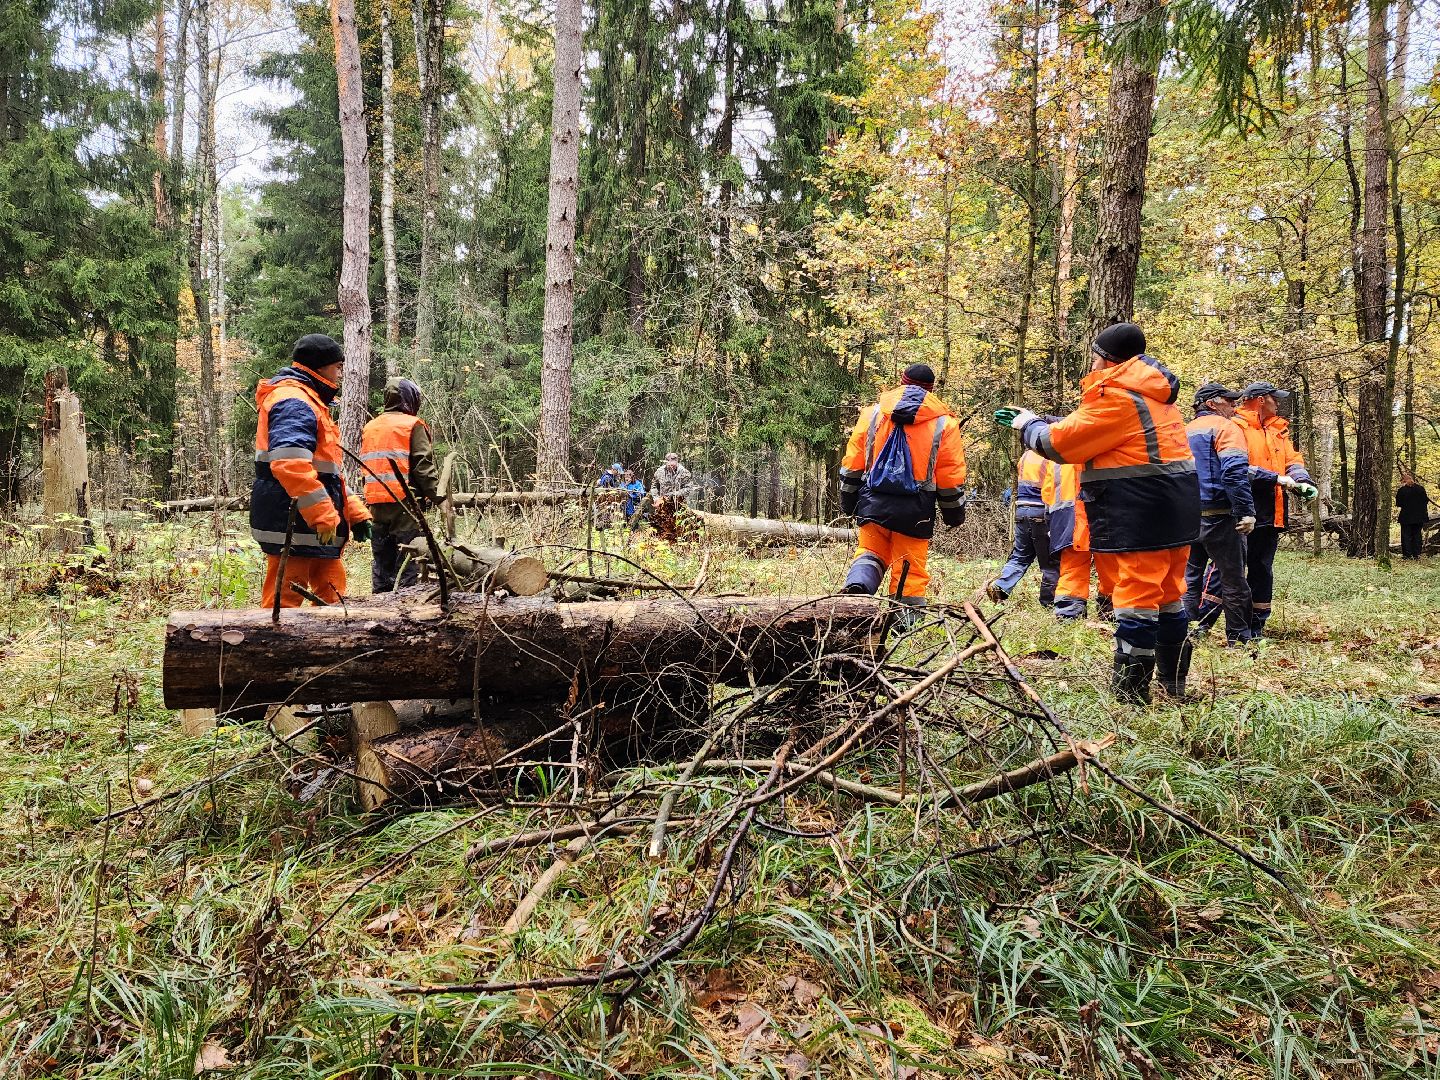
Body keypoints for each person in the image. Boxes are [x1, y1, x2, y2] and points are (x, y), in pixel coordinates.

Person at [995, 323, 1200, 703]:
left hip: (1142, 514)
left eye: (1093, 357)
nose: (1090, 364)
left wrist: (1027, 422)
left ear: (1106, 359)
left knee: (1137, 601)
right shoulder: (1158, 399)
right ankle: (1174, 687)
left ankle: (1130, 697)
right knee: (1171, 596)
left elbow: (1059, 444)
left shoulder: (1118, 399)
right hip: (1178, 512)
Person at [251, 334, 372, 608]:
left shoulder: (311, 400)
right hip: (292, 521)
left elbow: (328, 473)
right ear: (320, 367)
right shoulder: (294, 401)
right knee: (285, 602)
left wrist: (354, 513)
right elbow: (290, 464)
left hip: (311, 522)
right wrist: (322, 515)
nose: (340, 373)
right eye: (337, 366)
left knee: (331, 594)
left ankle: (333, 648)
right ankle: (274, 650)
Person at [839, 363, 967, 620]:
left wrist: (848, 499)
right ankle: (903, 626)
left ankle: (855, 596)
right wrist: (954, 514)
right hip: (915, 511)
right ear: (931, 389)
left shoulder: (873, 414)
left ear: (902, 382)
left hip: (873, 502)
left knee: (870, 554)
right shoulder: (944, 424)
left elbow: (853, 462)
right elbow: (950, 476)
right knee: (909, 567)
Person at [1232, 381, 1317, 638]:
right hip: (1243, 510)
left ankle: (1257, 627)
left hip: (1273, 511)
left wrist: (1302, 480)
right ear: (1259, 399)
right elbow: (1236, 468)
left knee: (1262, 569)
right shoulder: (1236, 428)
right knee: (1233, 570)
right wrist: (1274, 478)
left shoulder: (1278, 430)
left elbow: (1293, 460)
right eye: (1274, 398)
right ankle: (1219, 626)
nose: (1277, 403)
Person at [1184, 383, 1256, 646]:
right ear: (1212, 403)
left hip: (1188, 517)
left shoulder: (1183, 431)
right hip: (1220, 516)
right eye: (1229, 401)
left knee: (1190, 577)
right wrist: (1246, 511)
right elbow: (1235, 472)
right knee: (1234, 578)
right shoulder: (1226, 428)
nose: (1234, 406)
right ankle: (1238, 638)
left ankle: (1183, 633)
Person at [360, 377, 442, 593]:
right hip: (405, 502)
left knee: (381, 561)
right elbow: (423, 467)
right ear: (411, 399)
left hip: (375, 502)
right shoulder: (412, 425)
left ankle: (380, 606)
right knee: (408, 560)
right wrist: (438, 496)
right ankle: (404, 611)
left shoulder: (370, 427)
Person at [1044, 460, 1115, 621]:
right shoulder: (1090, 443)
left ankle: (1068, 615)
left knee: (1071, 569)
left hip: (1065, 517)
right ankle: (1110, 611)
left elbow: (1047, 491)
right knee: (1109, 565)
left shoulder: (1055, 453)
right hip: (1095, 513)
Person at [985, 449, 1058, 605]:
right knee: (1050, 564)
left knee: (1020, 556)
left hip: (1021, 510)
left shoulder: (1026, 455)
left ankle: (1000, 587)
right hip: (1041, 511)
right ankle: (1049, 603)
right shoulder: (1050, 453)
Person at [650, 452, 694, 540]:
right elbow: (654, 486)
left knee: (678, 528)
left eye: (674, 465)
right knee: (660, 527)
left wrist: (674, 494)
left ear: (677, 462)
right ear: (666, 462)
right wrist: (656, 498)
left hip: (678, 505)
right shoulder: (659, 471)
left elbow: (688, 489)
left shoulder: (684, 472)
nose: (672, 467)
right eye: (670, 465)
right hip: (662, 505)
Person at [1396, 468, 1433, 560]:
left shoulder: (1402, 490)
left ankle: (1407, 555)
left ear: (1404, 481)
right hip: (1419, 517)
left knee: (1406, 536)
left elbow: (1399, 503)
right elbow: (1425, 501)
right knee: (1417, 535)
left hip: (1406, 517)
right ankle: (1417, 554)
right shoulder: (1420, 489)